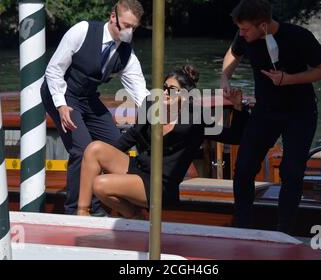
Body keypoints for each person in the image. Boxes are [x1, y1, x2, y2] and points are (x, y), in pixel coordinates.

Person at [220, 0, 321, 234]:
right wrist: (225, 77)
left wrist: (289, 79)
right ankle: (242, 227)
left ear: (263, 25)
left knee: (291, 171)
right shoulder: (245, 37)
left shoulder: (298, 36)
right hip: (266, 110)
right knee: (244, 168)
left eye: (245, 29)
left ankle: (285, 230)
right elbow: (233, 52)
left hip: (300, 111)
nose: (241, 34)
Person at [76, 66, 247, 217]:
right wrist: (106, 159)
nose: (165, 92)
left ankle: (134, 217)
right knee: (94, 148)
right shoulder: (152, 105)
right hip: (139, 168)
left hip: (161, 184)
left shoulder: (197, 118)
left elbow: (234, 137)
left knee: (100, 185)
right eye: (164, 88)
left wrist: (239, 109)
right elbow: (132, 136)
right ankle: (82, 214)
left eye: (172, 89)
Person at [41, 0, 150, 215]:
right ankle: (75, 211)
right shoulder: (82, 30)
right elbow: (53, 70)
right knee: (81, 150)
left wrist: (161, 113)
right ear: (113, 17)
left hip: (89, 98)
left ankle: (103, 203)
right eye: (126, 25)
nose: (129, 32)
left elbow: (141, 93)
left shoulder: (127, 55)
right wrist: (61, 106)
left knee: (115, 144)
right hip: (63, 93)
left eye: (134, 28)